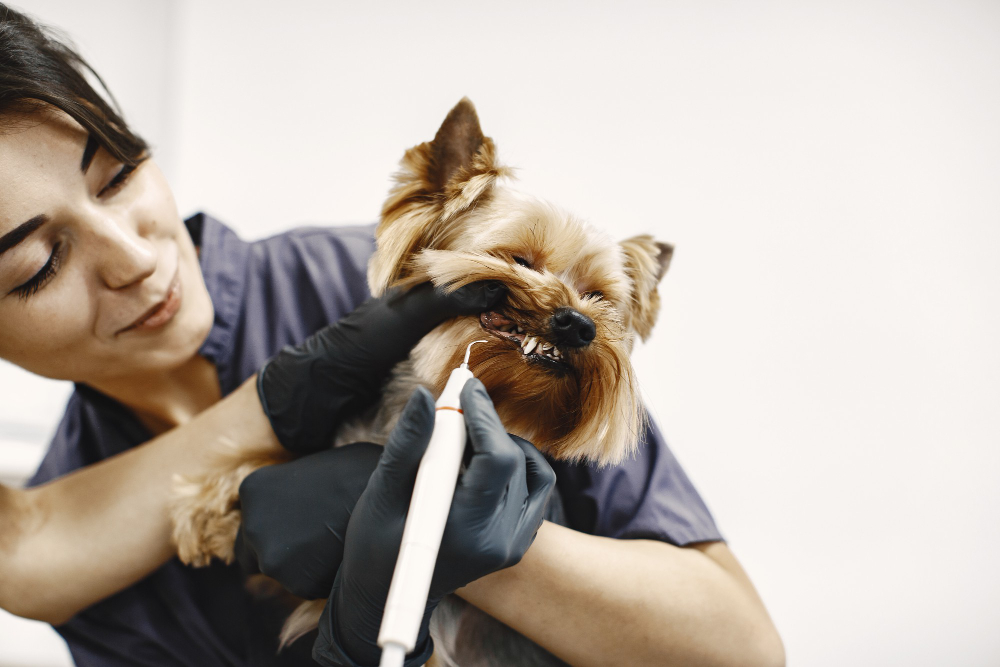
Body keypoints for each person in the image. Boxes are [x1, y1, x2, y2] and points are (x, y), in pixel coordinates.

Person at [0, 5, 785, 667]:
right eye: (38, 263)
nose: (138, 259)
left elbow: (740, 646)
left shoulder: (425, 286)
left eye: (119, 173)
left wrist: (454, 540)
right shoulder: (78, 551)